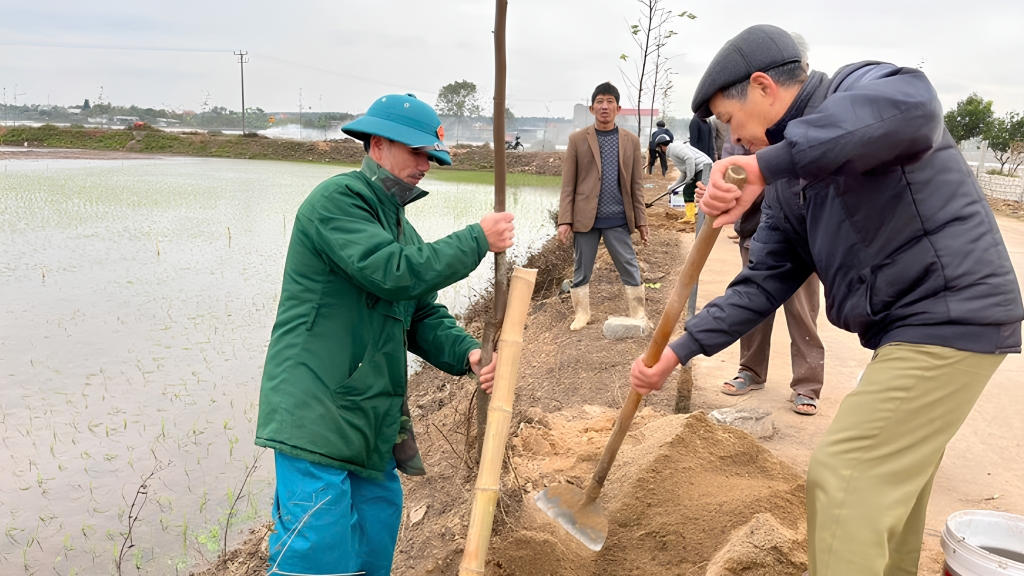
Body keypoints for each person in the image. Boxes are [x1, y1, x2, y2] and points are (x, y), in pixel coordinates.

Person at [630, 24, 1022, 575]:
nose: (734, 142)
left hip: (951, 313)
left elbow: (912, 111)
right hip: (915, 329)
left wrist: (765, 167)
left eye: (731, 123)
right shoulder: (788, 186)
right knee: (889, 498)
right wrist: (677, 350)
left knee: (844, 476)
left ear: (763, 87)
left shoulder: (859, 90)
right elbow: (763, 280)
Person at [255, 93, 515, 576]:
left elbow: (420, 313)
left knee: (372, 556)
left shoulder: (401, 229)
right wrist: (477, 239)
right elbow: (391, 272)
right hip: (317, 416)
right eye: (417, 153)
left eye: (432, 156)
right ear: (377, 144)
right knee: (315, 559)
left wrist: (469, 354)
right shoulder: (337, 202)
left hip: (372, 423)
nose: (426, 165)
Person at [716, 33, 825, 416]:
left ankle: (808, 384)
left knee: (801, 312)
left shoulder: (817, 127)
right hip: (754, 232)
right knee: (752, 304)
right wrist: (718, 195)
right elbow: (731, 176)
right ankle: (750, 370)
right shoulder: (742, 134)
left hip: (801, 239)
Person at [558, 81, 649, 331]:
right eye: (600, 102)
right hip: (585, 218)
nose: (605, 106)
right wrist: (565, 220)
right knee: (581, 269)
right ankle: (582, 313)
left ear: (618, 108)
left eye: (610, 102)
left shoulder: (631, 141)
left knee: (629, 265)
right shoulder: (577, 140)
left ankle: (638, 311)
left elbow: (636, 186)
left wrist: (641, 221)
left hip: (618, 218)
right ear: (592, 108)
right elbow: (568, 185)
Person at [657, 134, 712, 223]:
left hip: (704, 167)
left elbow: (689, 158)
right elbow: (684, 172)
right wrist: (673, 187)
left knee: (703, 190)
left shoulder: (675, 148)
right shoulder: (672, 151)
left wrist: (690, 176)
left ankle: (708, 218)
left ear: (661, 146)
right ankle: (690, 216)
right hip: (698, 169)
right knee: (688, 189)